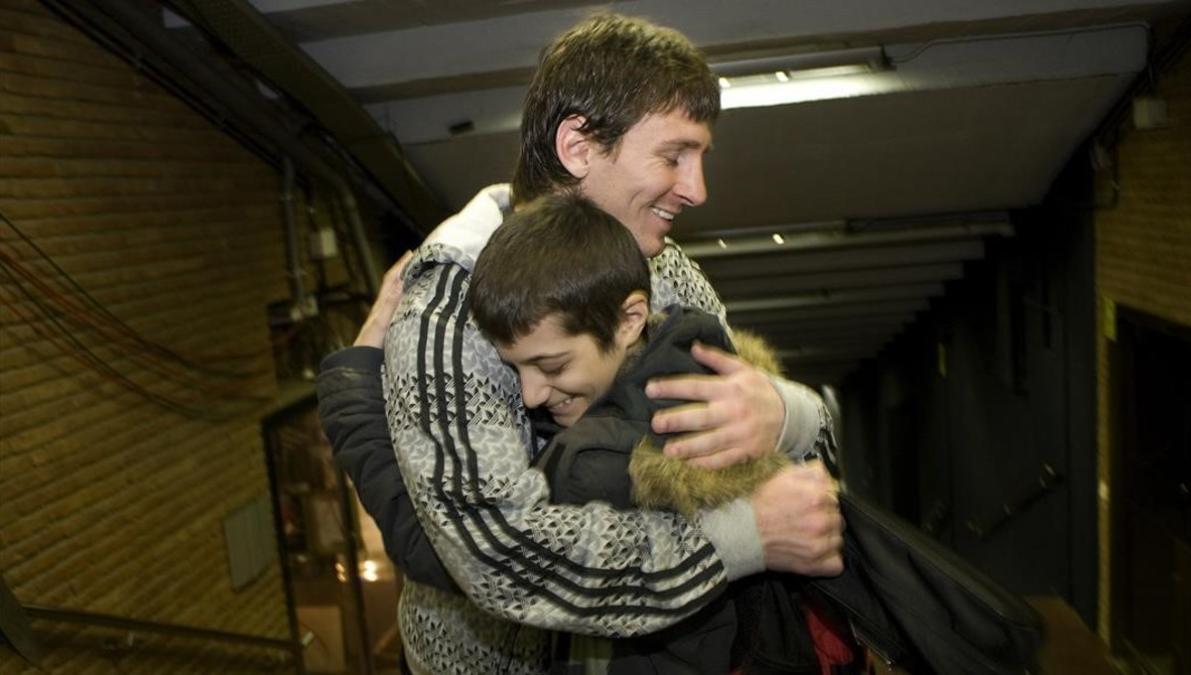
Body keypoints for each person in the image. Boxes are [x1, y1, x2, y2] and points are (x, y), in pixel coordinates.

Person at [317, 13, 843, 675]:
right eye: (673, 155)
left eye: (700, 157)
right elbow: (499, 553)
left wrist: (781, 411)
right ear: (578, 146)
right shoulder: (460, 299)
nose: (697, 188)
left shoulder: (663, 268)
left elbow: (791, 446)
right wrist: (737, 539)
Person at [468, 193, 854, 674]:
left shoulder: (591, 463)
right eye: (516, 369)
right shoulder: (726, 386)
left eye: (553, 365)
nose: (528, 395)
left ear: (631, 320)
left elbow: (474, 559)